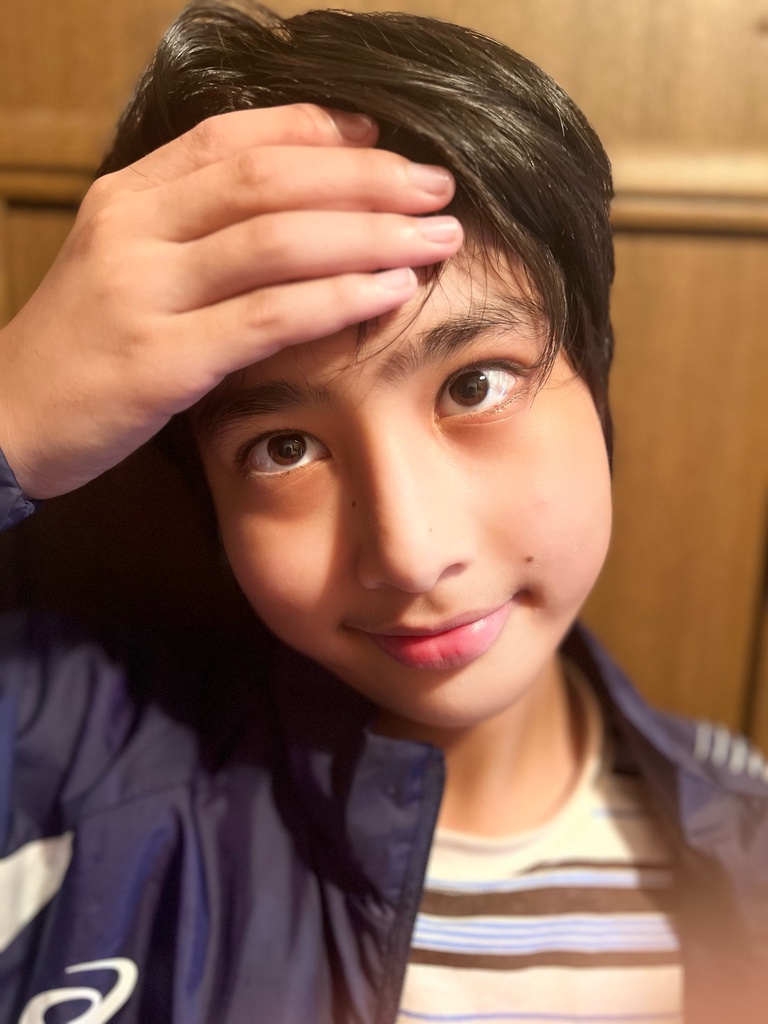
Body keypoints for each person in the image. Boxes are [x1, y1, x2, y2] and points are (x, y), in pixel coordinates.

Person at [0, 2, 766, 1022]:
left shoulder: (745, 837)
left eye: (474, 385)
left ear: (596, 378)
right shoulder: (63, 761)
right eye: (284, 449)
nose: (410, 553)